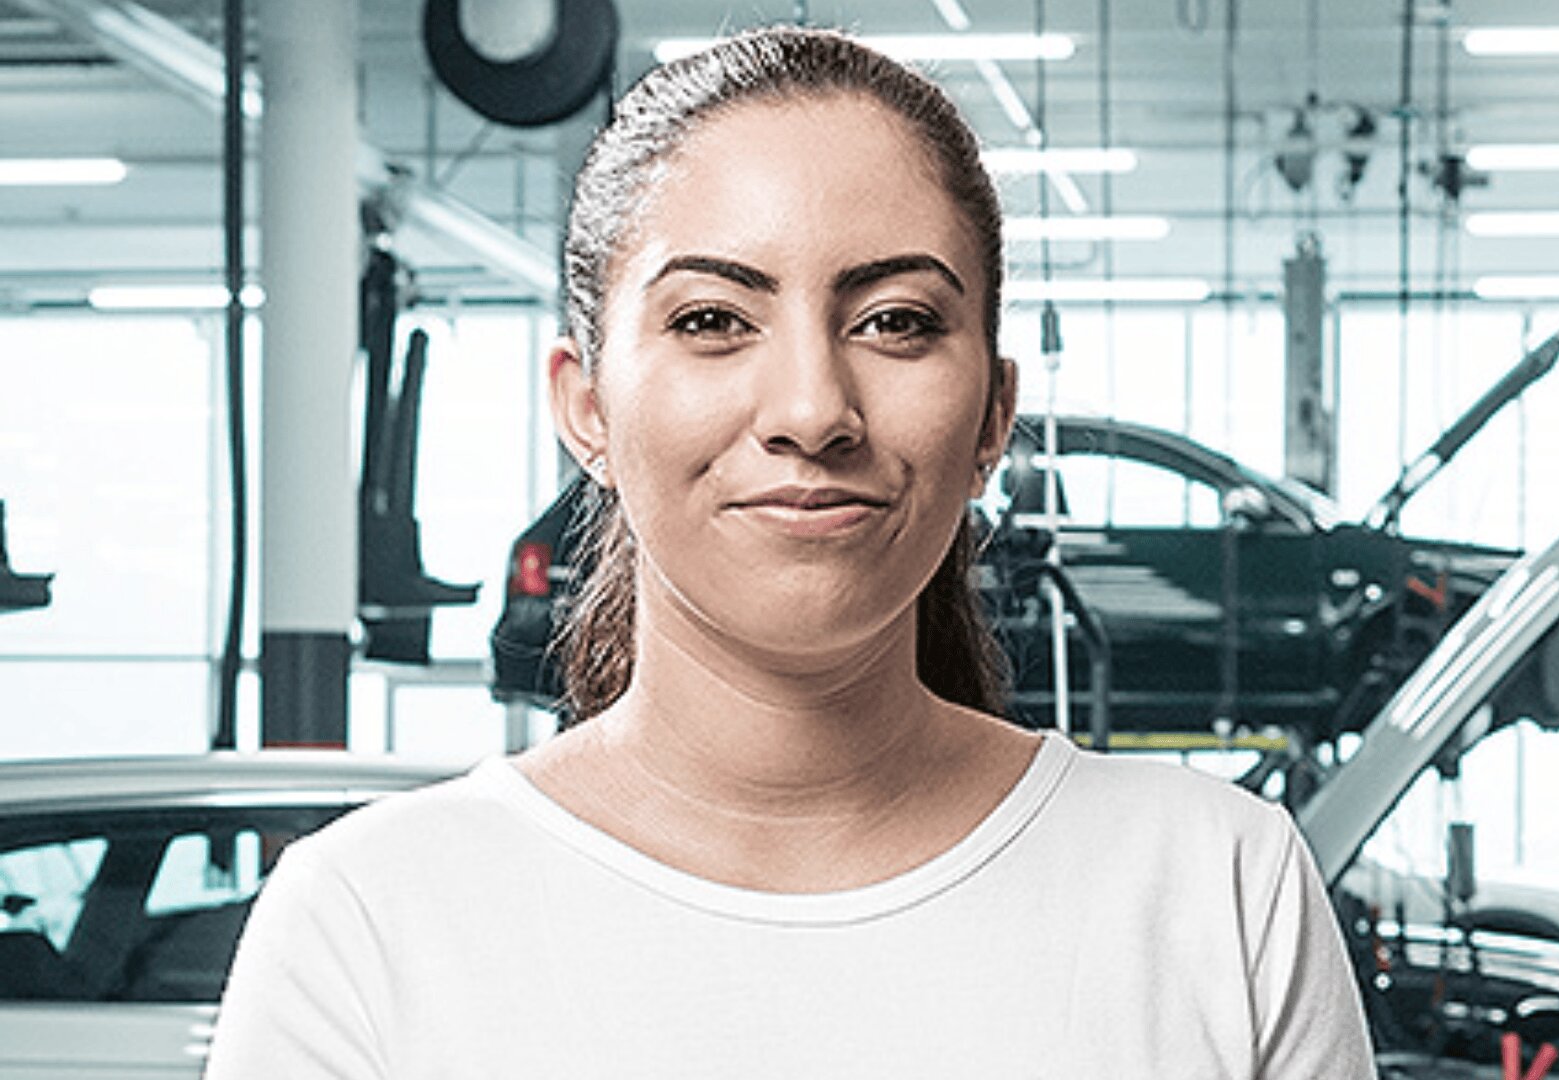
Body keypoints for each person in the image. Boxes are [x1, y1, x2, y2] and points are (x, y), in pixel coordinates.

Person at [207, 26, 1374, 1079]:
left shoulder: (1221, 889)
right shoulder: (367, 924)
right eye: (713, 320)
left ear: (992, 419)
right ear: (587, 410)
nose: (813, 409)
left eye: (896, 323)